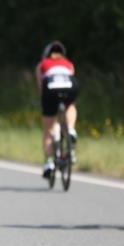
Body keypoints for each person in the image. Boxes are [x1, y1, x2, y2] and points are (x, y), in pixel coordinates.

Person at [36, 41, 79, 179]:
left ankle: (49, 163)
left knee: (49, 130)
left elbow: (41, 88)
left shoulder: (42, 64)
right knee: (70, 105)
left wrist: (44, 102)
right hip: (69, 85)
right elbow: (72, 77)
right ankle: (70, 129)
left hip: (50, 86)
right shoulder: (69, 63)